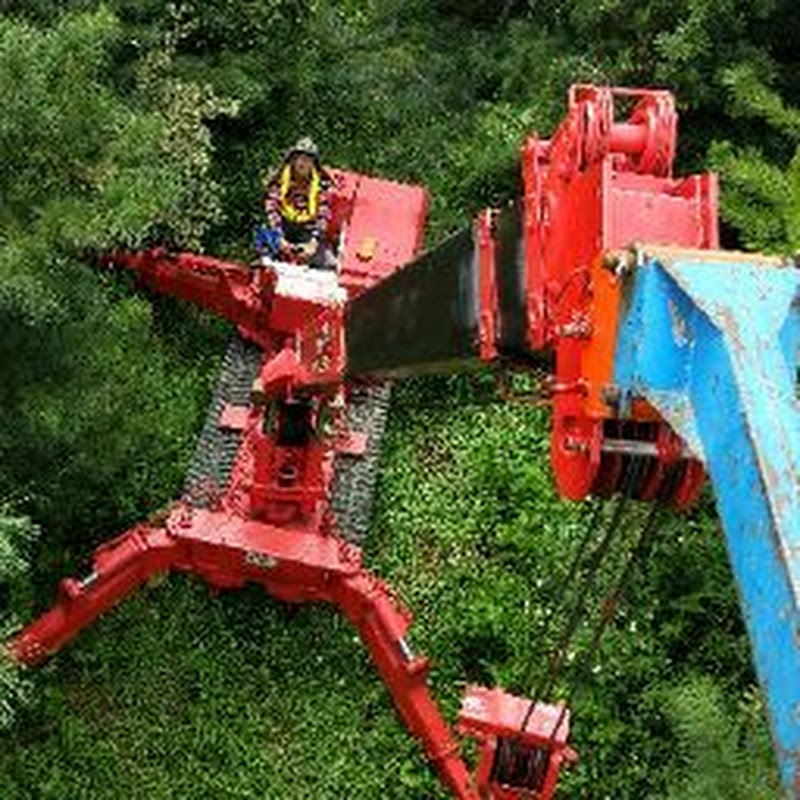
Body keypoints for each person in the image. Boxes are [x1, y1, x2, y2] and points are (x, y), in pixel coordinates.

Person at [256, 137, 334, 268]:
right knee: (264, 237)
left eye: (308, 159)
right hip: (282, 226)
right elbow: (271, 208)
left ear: (313, 164)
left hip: (307, 230)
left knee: (329, 262)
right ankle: (265, 265)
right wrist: (279, 237)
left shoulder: (322, 185)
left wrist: (313, 242)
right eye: (300, 157)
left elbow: (323, 214)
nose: (303, 162)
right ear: (293, 160)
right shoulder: (278, 180)